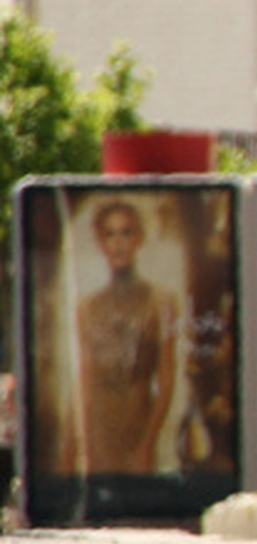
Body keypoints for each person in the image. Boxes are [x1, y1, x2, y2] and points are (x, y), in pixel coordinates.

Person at [72, 197, 181, 474]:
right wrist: (80, 443)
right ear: (100, 241)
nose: (118, 243)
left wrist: (148, 442)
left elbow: (166, 377)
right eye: (110, 234)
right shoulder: (86, 308)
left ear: (139, 239)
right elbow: (84, 379)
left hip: (138, 426)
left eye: (126, 232)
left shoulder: (161, 301)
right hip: (98, 432)